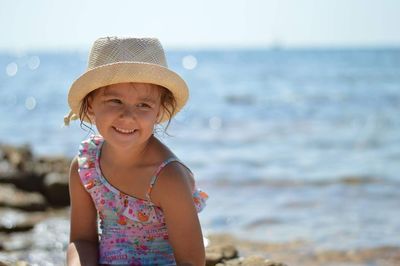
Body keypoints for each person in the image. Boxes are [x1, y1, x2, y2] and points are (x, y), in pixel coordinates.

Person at [64, 37, 208, 266]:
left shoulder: (167, 178)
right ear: (90, 103)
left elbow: (191, 262)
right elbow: (82, 240)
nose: (128, 116)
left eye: (143, 105)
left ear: (159, 109)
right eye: (114, 101)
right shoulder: (86, 166)